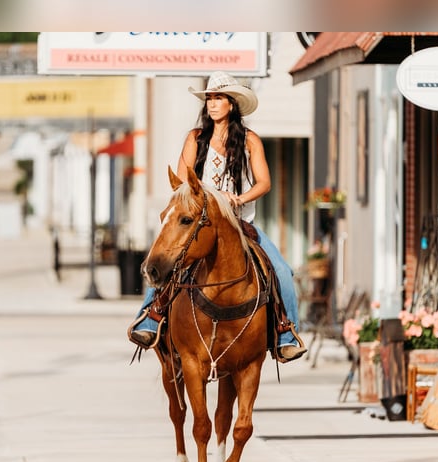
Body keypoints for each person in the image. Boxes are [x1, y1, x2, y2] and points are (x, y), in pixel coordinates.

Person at [129, 71, 306, 363]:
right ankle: (149, 318)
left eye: (219, 98)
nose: (212, 104)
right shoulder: (195, 138)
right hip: (202, 223)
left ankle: (287, 333)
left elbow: (264, 182)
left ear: (232, 104)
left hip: (240, 224)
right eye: (209, 98)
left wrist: (239, 198)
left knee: (283, 272)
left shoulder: (250, 141)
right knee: (166, 258)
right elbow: (184, 183)